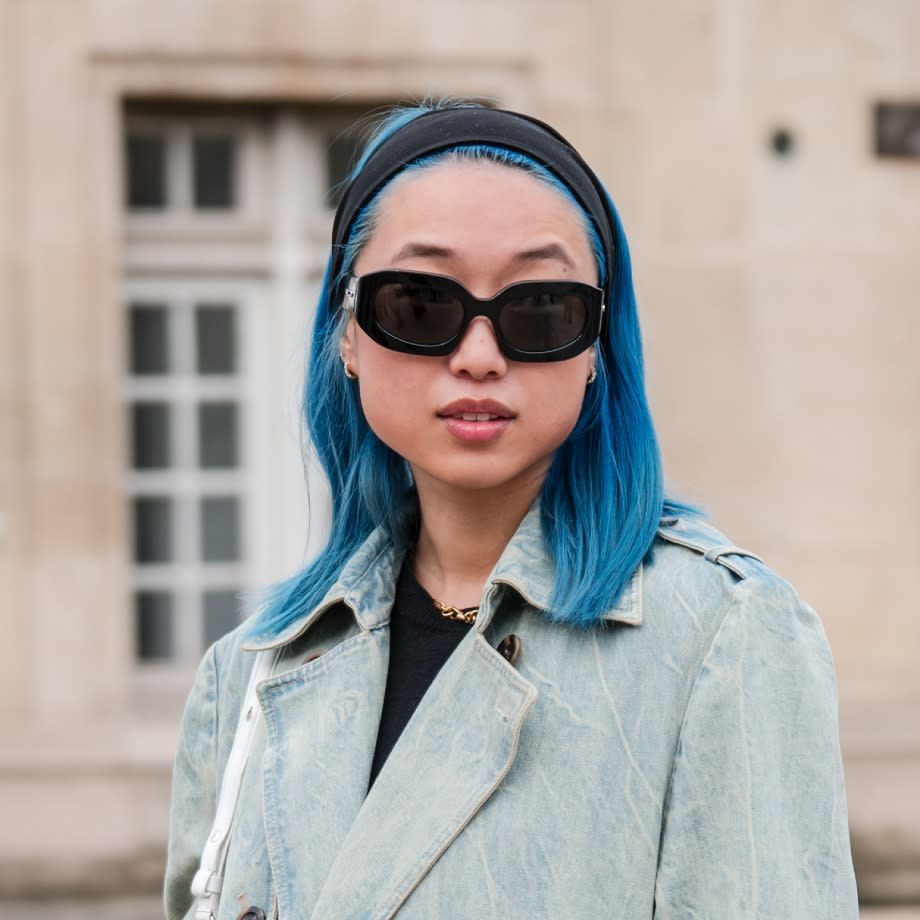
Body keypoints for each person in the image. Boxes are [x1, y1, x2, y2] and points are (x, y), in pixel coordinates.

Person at [165, 102, 858, 920]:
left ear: (598, 345)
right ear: (348, 333)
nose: (479, 357)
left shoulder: (721, 637)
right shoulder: (252, 669)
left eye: (540, 310)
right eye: (419, 304)